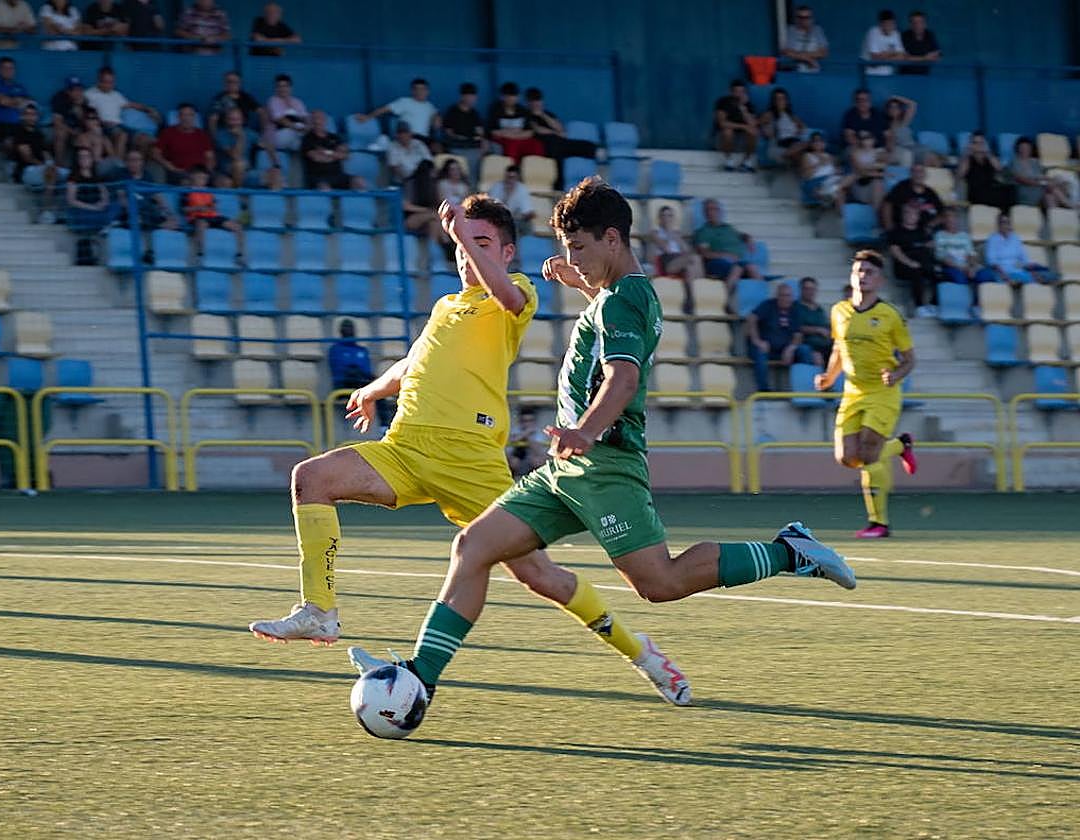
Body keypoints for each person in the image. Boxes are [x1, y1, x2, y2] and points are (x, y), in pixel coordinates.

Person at [347, 178, 855, 714]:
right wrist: (583, 286)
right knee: (473, 547)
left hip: (605, 464)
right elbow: (614, 323)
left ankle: (788, 551)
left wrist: (585, 431)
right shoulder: (617, 294)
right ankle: (421, 678)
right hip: (565, 469)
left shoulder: (626, 299)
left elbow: (622, 380)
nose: (572, 259)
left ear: (612, 239)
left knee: (660, 583)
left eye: (580, 248)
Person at [249, 193, 708, 708]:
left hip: (470, 460)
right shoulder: (449, 305)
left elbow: (509, 300)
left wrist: (462, 233)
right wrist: (374, 389)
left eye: (483, 243)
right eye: (464, 245)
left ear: (507, 253)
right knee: (311, 478)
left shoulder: (514, 293)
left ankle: (641, 652)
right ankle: (319, 611)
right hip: (404, 449)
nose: (467, 254)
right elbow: (415, 362)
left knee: (540, 576)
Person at [815, 250, 918, 539]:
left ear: (881, 280)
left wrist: (896, 375)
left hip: (883, 392)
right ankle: (900, 446)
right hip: (853, 393)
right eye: (858, 270)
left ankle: (879, 523)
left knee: (870, 452)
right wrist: (828, 376)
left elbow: (910, 359)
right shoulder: (839, 311)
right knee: (847, 458)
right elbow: (838, 349)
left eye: (869, 272)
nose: (863, 276)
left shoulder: (890, 316)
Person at [746, 281, 814, 391]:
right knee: (759, 352)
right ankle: (764, 390)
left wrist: (791, 348)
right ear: (777, 296)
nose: (787, 299)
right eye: (784, 295)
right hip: (765, 347)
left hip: (784, 349)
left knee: (805, 350)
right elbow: (751, 318)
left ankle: (804, 389)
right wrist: (757, 341)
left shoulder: (794, 309)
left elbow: (798, 334)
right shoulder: (768, 305)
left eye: (789, 296)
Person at [693, 198, 762, 301]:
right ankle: (725, 301)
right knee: (738, 268)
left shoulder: (728, 228)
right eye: (709, 209)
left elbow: (741, 235)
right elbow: (704, 253)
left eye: (715, 209)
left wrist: (748, 238)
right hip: (716, 264)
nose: (712, 212)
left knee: (752, 268)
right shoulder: (704, 231)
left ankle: (760, 300)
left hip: (736, 263)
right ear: (705, 213)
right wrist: (724, 255)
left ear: (720, 211)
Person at [85, 66, 158, 160]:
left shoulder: (116, 95)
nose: (109, 85)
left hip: (122, 125)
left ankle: (138, 171)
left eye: (111, 82)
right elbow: (86, 114)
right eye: (105, 82)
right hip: (105, 126)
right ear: (99, 80)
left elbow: (130, 104)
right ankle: (118, 167)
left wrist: (148, 109)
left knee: (145, 139)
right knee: (122, 135)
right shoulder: (89, 94)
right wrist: (99, 122)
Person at [524, 88, 598, 167]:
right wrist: (556, 133)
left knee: (587, 145)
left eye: (538, 100)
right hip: (547, 145)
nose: (536, 103)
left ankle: (600, 159)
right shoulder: (527, 115)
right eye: (533, 101)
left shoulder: (548, 114)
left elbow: (560, 128)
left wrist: (542, 114)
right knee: (557, 150)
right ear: (528, 103)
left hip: (560, 142)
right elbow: (538, 129)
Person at [888, 201, 938, 316]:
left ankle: (933, 305)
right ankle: (919, 306)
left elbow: (930, 246)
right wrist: (910, 263)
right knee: (916, 272)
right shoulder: (896, 232)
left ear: (918, 216)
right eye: (907, 213)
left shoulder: (922, 231)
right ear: (903, 215)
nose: (910, 216)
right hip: (904, 266)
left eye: (913, 213)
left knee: (938, 272)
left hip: (923, 263)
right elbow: (895, 252)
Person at [359, 78, 439, 145]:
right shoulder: (405, 102)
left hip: (424, 140)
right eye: (416, 89)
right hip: (408, 136)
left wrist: (436, 119)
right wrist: (368, 117)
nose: (419, 92)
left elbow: (435, 126)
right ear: (412, 91)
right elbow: (385, 109)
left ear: (427, 91)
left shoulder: (430, 107)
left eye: (422, 89)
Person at [978, 213, 1052, 285]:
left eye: (1008, 223)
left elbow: (1023, 259)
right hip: (1001, 271)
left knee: (1049, 273)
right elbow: (992, 262)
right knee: (985, 275)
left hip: (1018, 270)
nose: (1006, 225)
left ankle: (1035, 277)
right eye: (1003, 222)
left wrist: (1032, 269)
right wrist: (1004, 275)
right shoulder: (992, 238)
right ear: (998, 225)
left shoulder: (1015, 238)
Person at [114, 148, 178, 231]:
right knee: (136, 221)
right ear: (126, 162)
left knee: (174, 223)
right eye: (131, 160)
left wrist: (169, 213)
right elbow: (121, 198)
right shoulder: (121, 174)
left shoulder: (147, 175)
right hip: (131, 211)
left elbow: (158, 196)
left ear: (142, 162)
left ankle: (154, 228)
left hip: (149, 210)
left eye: (137, 160)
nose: (134, 163)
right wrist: (132, 211)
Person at [183, 164, 242, 253]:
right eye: (200, 177)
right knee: (201, 224)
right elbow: (184, 209)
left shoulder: (209, 191)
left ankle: (239, 253)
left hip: (213, 216)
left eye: (204, 178)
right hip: (198, 217)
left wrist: (211, 207)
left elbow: (213, 206)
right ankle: (202, 252)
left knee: (237, 227)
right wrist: (198, 208)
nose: (202, 181)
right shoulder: (186, 191)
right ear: (192, 176)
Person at [153, 103, 215, 184]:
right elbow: (155, 154)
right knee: (187, 183)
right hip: (180, 173)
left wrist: (206, 173)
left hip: (202, 172)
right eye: (183, 115)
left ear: (194, 117)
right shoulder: (168, 133)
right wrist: (169, 166)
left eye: (190, 115)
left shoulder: (202, 135)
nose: (187, 118)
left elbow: (210, 157)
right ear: (178, 117)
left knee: (225, 182)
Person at [1008, 136, 1072, 210]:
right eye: (1022, 148)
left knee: (1050, 196)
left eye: (1027, 148)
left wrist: (1053, 180)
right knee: (1052, 190)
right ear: (1017, 149)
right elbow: (1021, 179)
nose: (1025, 150)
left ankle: (1056, 217)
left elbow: (1042, 176)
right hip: (1028, 193)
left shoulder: (1035, 162)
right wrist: (1043, 184)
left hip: (1041, 191)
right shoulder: (1014, 163)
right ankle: (1070, 206)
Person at [214, 106, 273, 187]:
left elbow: (268, 146)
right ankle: (239, 192)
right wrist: (240, 137)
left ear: (242, 120)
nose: (235, 123)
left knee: (274, 176)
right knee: (239, 164)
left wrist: (276, 166)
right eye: (232, 119)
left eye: (237, 119)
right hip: (227, 172)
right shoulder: (221, 134)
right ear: (226, 120)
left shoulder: (249, 133)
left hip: (247, 173)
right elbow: (235, 156)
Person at [486, 82, 543, 163]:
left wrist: (515, 135)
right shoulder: (495, 109)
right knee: (512, 145)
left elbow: (530, 132)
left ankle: (534, 170)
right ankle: (513, 172)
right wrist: (511, 134)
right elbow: (493, 131)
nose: (511, 99)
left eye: (514, 96)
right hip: (504, 140)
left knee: (536, 145)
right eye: (508, 96)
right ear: (503, 97)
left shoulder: (522, 110)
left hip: (520, 138)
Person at [647, 204, 702, 288]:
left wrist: (677, 238)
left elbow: (686, 251)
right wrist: (669, 232)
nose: (667, 218)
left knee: (690, 269)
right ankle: (701, 280)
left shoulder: (677, 234)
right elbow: (667, 249)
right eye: (664, 216)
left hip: (679, 260)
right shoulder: (655, 233)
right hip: (666, 261)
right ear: (659, 218)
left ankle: (691, 299)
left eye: (669, 216)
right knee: (695, 258)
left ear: (673, 218)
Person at [441, 82, 487, 178]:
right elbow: (449, 132)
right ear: (462, 96)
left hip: (473, 144)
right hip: (458, 145)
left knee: (494, 149)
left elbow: (480, 132)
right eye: (469, 96)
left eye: (473, 96)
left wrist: (483, 142)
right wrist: (461, 138)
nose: (472, 99)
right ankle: (471, 187)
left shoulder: (474, 113)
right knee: (471, 158)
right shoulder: (452, 111)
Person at [880, 162, 943, 231]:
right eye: (915, 171)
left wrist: (931, 225)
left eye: (921, 171)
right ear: (911, 174)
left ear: (925, 175)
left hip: (925, 232)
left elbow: (942, 212)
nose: (918, 174)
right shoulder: (901, 187)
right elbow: (887, 205)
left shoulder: (930, 192)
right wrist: (889, 227)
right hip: (904, 231)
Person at [957, 131, 1013, 210]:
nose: (978, 145)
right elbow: (960, 175)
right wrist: (966, 154)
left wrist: (987, 152)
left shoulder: (988, 157)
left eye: (981, 143)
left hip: (991, 188)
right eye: (975, 143)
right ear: (971, 144)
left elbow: (999, 168)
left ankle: (1005, 216)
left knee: (1010, 190)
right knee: (996, 196)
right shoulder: (967, 159)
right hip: (976, 192)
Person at [0, 57, 32, 151]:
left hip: (20, 125)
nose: (8, 71)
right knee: (12, 141)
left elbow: (28, 104)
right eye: (5, 68)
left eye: (11, 68)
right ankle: (10, 162)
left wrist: (11, 101)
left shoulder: (19, 87)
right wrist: (18, 101)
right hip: (2, 125)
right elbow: (2, 101)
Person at [712, 79, 758, 172]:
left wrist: (743, 108)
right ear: (731, 92)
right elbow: (723, 123)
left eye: (742, 92)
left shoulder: (748, 105)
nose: (739, 94)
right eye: (737, 91)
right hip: (723, 139)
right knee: (728, 131)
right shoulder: (723, 102)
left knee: (753, 132)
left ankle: (747, 162)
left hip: (741, 139)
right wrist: (743, 126)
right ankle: (729, 161)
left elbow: (752, 124)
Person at [65, 145, 113, 231]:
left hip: (97, 208)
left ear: (91, 159)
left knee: (115, 205)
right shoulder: (72, 177)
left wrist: (103, 203)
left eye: (87, 156)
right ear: (77, 160)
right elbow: (71, 201)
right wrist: (92, 207)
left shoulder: (97, 176)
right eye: (81, 157)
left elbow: (105, 194)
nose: (84, 159)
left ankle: (104, 224)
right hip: (82, 210)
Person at [883, 95, 938, 168]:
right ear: (888, 110)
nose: (893, 109)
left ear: (900, 110)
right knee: (926, 159)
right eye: (891, 107)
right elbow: (889, 147)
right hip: (903, 150)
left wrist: (895, 97)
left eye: (896, 107)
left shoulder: (904, 121)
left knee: (933, 157)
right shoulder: (887, 126)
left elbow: (913, 104)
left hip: (914, 146)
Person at [759, 87, 807, 167]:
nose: (781, 101)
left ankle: (787, 155)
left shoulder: (791, 116)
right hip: (783, 141)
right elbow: (758, 123)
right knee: (804, 147)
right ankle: (787, 154)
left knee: (802, 152)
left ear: (787, 101)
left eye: (783, 98)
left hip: (795, 140)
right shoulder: (769, 114)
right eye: (778, 99)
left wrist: (799, 130)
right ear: (774, 102)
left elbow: (803, 126)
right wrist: (765, 129)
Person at [300, 110, 349, 189]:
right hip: (318, 177)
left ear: (325, 120)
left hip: (338, 175)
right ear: (311, 121)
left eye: (320, 118)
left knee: (359, 182)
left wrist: (326, 152)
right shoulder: (307, 139)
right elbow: (317, 158)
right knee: (324, 187)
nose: (318, 121)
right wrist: (335, 155)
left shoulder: (335, 137)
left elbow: (346, 155)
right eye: (315, 118)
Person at [933, 207, 978, 288]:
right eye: (947, 216)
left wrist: (972, 267)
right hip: (951, 267)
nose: (950, 219)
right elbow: (941, 257)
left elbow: (971, 254)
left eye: (953, 216)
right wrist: (962, 268)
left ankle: (980, 300)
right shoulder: (939, 235)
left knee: (986, 276)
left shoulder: (965, 236)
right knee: (960, 278)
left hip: (967, 266)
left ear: (957, 219)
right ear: (944, 220)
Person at [207, 71, 264, 136]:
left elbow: (262, 112)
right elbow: (213, 119)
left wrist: (262, 132)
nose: (232, 84)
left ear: (240, 83)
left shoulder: (246, 97)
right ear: (224, 83)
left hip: (243, 130)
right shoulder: (219, 98)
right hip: (226, 131)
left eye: (235, 82)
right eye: (229, 81)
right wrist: (214, 139)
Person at [800, 131, 847, 208]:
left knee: (842, 189)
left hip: (831, 181)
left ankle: (840, 213)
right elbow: (806, 176)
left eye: (821, 141)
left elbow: (836, 171)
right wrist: (819, 164)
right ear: (811, 144)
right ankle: (828, 195)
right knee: (838, 190)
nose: (818, 143)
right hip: (817, 183)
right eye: (815, 141)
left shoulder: (830, 156)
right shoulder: (807, 156)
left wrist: (838, 171)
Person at [485, 164, 534, 236]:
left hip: (514, 219)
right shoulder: (496, 187)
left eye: (513, 177)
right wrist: (507, 195)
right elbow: (491, 208)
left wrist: (520, 216)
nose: (510, 180)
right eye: (508, 177)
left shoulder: (522, 189)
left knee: (527, 225)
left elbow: (528, 212)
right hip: (497, 218)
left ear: (517, 178)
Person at [263, 73, 308, 153]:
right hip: (278, 135)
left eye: (285, 86)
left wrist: (307, 128)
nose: (282, 89)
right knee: (296, 133)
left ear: (290, 87)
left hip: (296, 136)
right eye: (279, 86)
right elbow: (279, 120)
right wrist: (297, 128)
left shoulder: (297, 102)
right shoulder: (273, 101)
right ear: (276, 88)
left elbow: (305, 117)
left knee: (317, 130)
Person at [49, 76, 88, 165]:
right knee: (61, 133)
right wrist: (72, 131)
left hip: (77, 131)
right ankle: (58, 165)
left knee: (85, 137)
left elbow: (86, 124)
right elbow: (57, 122)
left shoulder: (84, 101)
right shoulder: (59, 98)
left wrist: (79, 110)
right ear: (67, 91)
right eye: (74, 90)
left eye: (80, 89)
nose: (78, 92)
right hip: (64, 129)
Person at [846, 130, 887, 210]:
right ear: (860, 140)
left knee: (879, 184)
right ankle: (875, 214)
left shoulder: (878, 152)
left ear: (873, 139)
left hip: (875, 182)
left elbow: (883, 166)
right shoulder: (854, 154)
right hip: (860, 184)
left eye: (869, 138)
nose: (866, 141)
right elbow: (861, 172)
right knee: (878, 183)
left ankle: (876, 212)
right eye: (863, 138)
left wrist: (868, 167)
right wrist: (876, 171)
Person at [781, 5, 829, 72]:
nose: (803, 20)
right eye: (800, 17)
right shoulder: (791, 30)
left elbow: (823, 52)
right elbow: (787, 51)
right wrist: (809, 60)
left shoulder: (817, 30)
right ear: (796, 18)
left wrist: (803, 56)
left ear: (811, 18)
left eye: (806, 17)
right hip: (794, 71)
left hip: (814, 70)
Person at [73, 107, 119, 177]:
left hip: (102, 166)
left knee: (117, 163)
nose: (94, 121)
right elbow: (93, 160)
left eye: (95, 118)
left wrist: (101, 138)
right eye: (90, 118)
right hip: (88, 170)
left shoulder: (103, 137)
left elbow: (112, 155)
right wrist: (97, 139)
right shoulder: (82, 137)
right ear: (85, 121)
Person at [795, 276, 831, 363]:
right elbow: (796, 327)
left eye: (812, 289)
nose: (810, 292)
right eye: (807, 289)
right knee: (816, 357)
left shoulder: (819, 309)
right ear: (801, 290)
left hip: (826, 344)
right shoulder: (795, 307)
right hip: (808, 344)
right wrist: (817, 330)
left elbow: (826, 325)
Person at [859, 9, 906, 76]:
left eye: (892, 24)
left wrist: (885, 55)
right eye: (887, 24)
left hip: (887, 73)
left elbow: (902, 56)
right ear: (880, 24)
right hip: (869, 73)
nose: (890, 27)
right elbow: (874, 57)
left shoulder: (896, 34)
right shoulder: (873, 32)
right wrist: (893, 53)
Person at [507, 406, 547, 478]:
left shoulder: (538, 432)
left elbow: (540, 452)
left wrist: (528, 438)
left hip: (531, 458)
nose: (527, 423)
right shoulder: (515, 430)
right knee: (514, 461)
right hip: (517, 458)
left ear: (534, 421)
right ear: (520, 421)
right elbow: (511, 444)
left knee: (537, 461)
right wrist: (526, 433)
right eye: (524, 421)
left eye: (530, 420)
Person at [900, 10, 941, 75]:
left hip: (924, 75)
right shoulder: (904, 36)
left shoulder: (930, 35)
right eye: (914, 22)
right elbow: (904, 57)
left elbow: (937, 54)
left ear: (925, 24)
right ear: (910, 25)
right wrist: (924, 58)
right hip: (906, 75)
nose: (917, 25)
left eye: (920, 22)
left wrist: (915, 58)